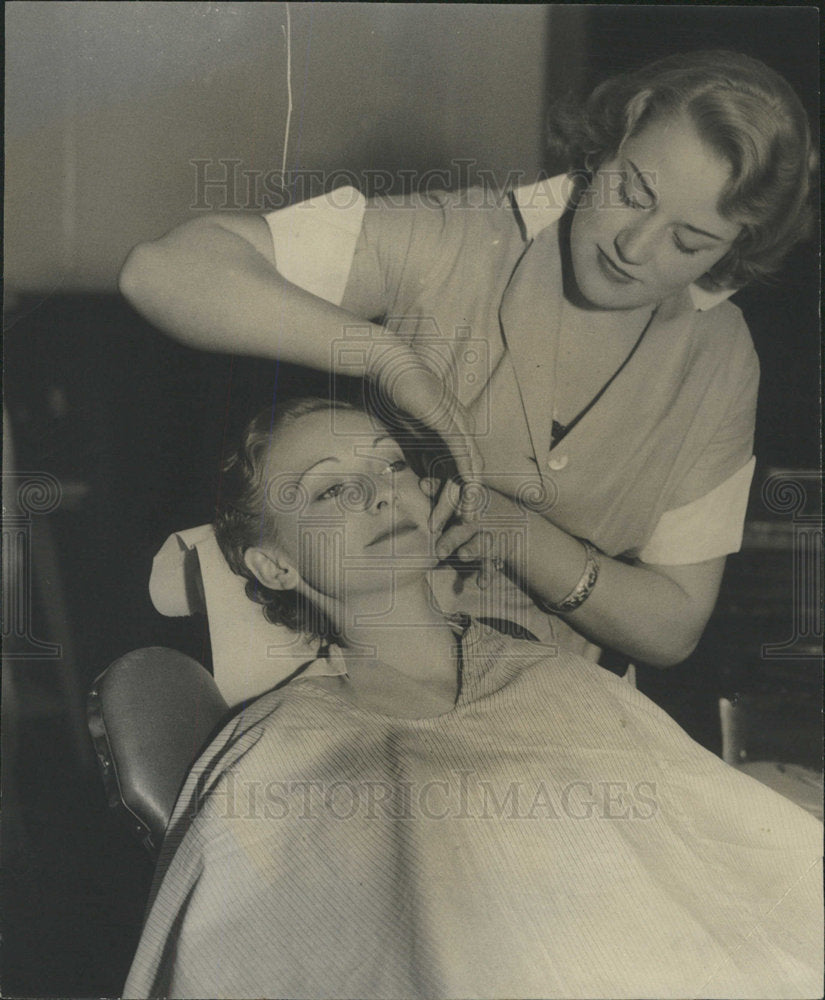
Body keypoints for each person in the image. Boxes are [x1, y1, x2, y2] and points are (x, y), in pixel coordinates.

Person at [119, 50, 816, 667]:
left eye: (689, 241)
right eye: (632, 191)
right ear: (615, 137)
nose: (634, 247)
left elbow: (673, 625)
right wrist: (386, 357)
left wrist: (514, 534)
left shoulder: (719, 354)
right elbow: (164, 273)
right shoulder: (453, 238)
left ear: (733, 248)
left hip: (563, 711)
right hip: (361, 685)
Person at [122, 397, 822, 999]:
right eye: (330, 490)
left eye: (393, 467)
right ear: (274, 564)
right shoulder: (274, 752)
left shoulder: (555, 678)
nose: (381, 494)